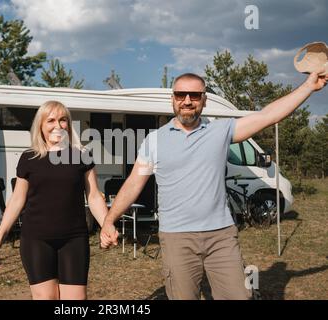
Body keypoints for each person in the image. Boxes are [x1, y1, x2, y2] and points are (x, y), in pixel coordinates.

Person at [100, 71, 327, 300]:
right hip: (177, 237)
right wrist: (109, 220)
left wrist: (308, 86)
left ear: (204, 99)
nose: (187, 100)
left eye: (195, 95)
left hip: (221, 236)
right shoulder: (155, 141)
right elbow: (133, 184)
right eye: (181, 94)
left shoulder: (220, 131)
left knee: (240, 296)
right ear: (173, 98)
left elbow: (268, 116)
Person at [0, 100, 112, 300]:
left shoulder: (82, 155)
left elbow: (94, 196)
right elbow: (17, 200)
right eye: (50, 120)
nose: (58, 125)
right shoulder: (29, 158)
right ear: (41, 126)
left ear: (69, 125)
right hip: (36, 239)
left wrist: (107, 224)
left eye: (63, 120)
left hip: (74, 238)